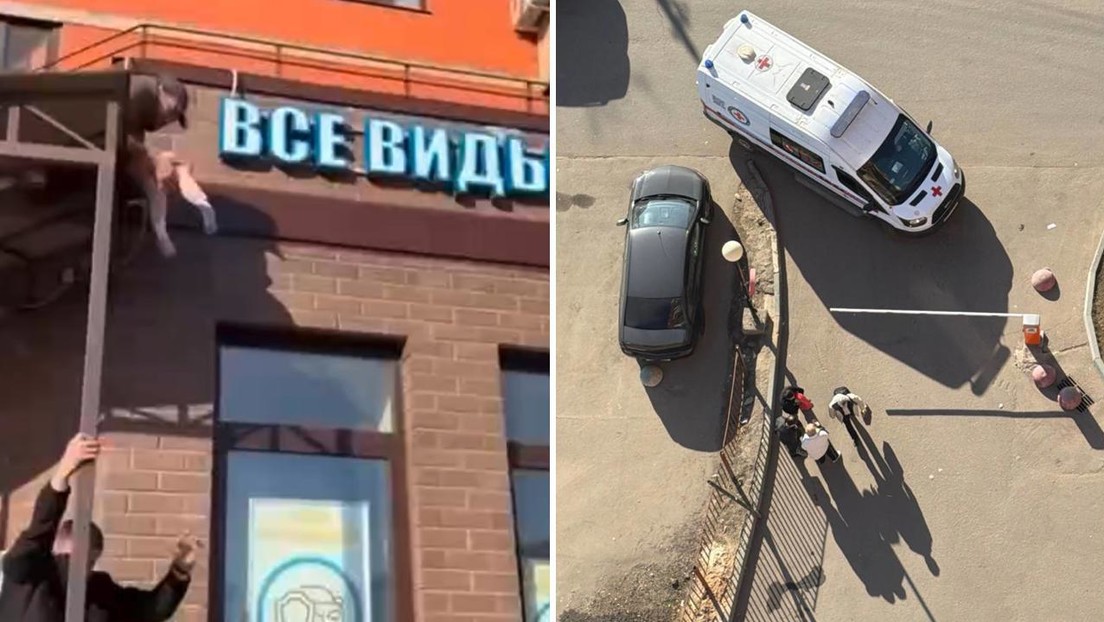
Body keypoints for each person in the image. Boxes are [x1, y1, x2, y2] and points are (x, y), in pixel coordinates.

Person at [0, 433, 199, 621]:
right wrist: (62, 474)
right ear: (58, 547)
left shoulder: (99, 591)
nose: (86, 567)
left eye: (91, 560)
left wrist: (179, 572)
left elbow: (151, 609)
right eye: (79, 558)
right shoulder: (30, 572)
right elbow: (39, 531)